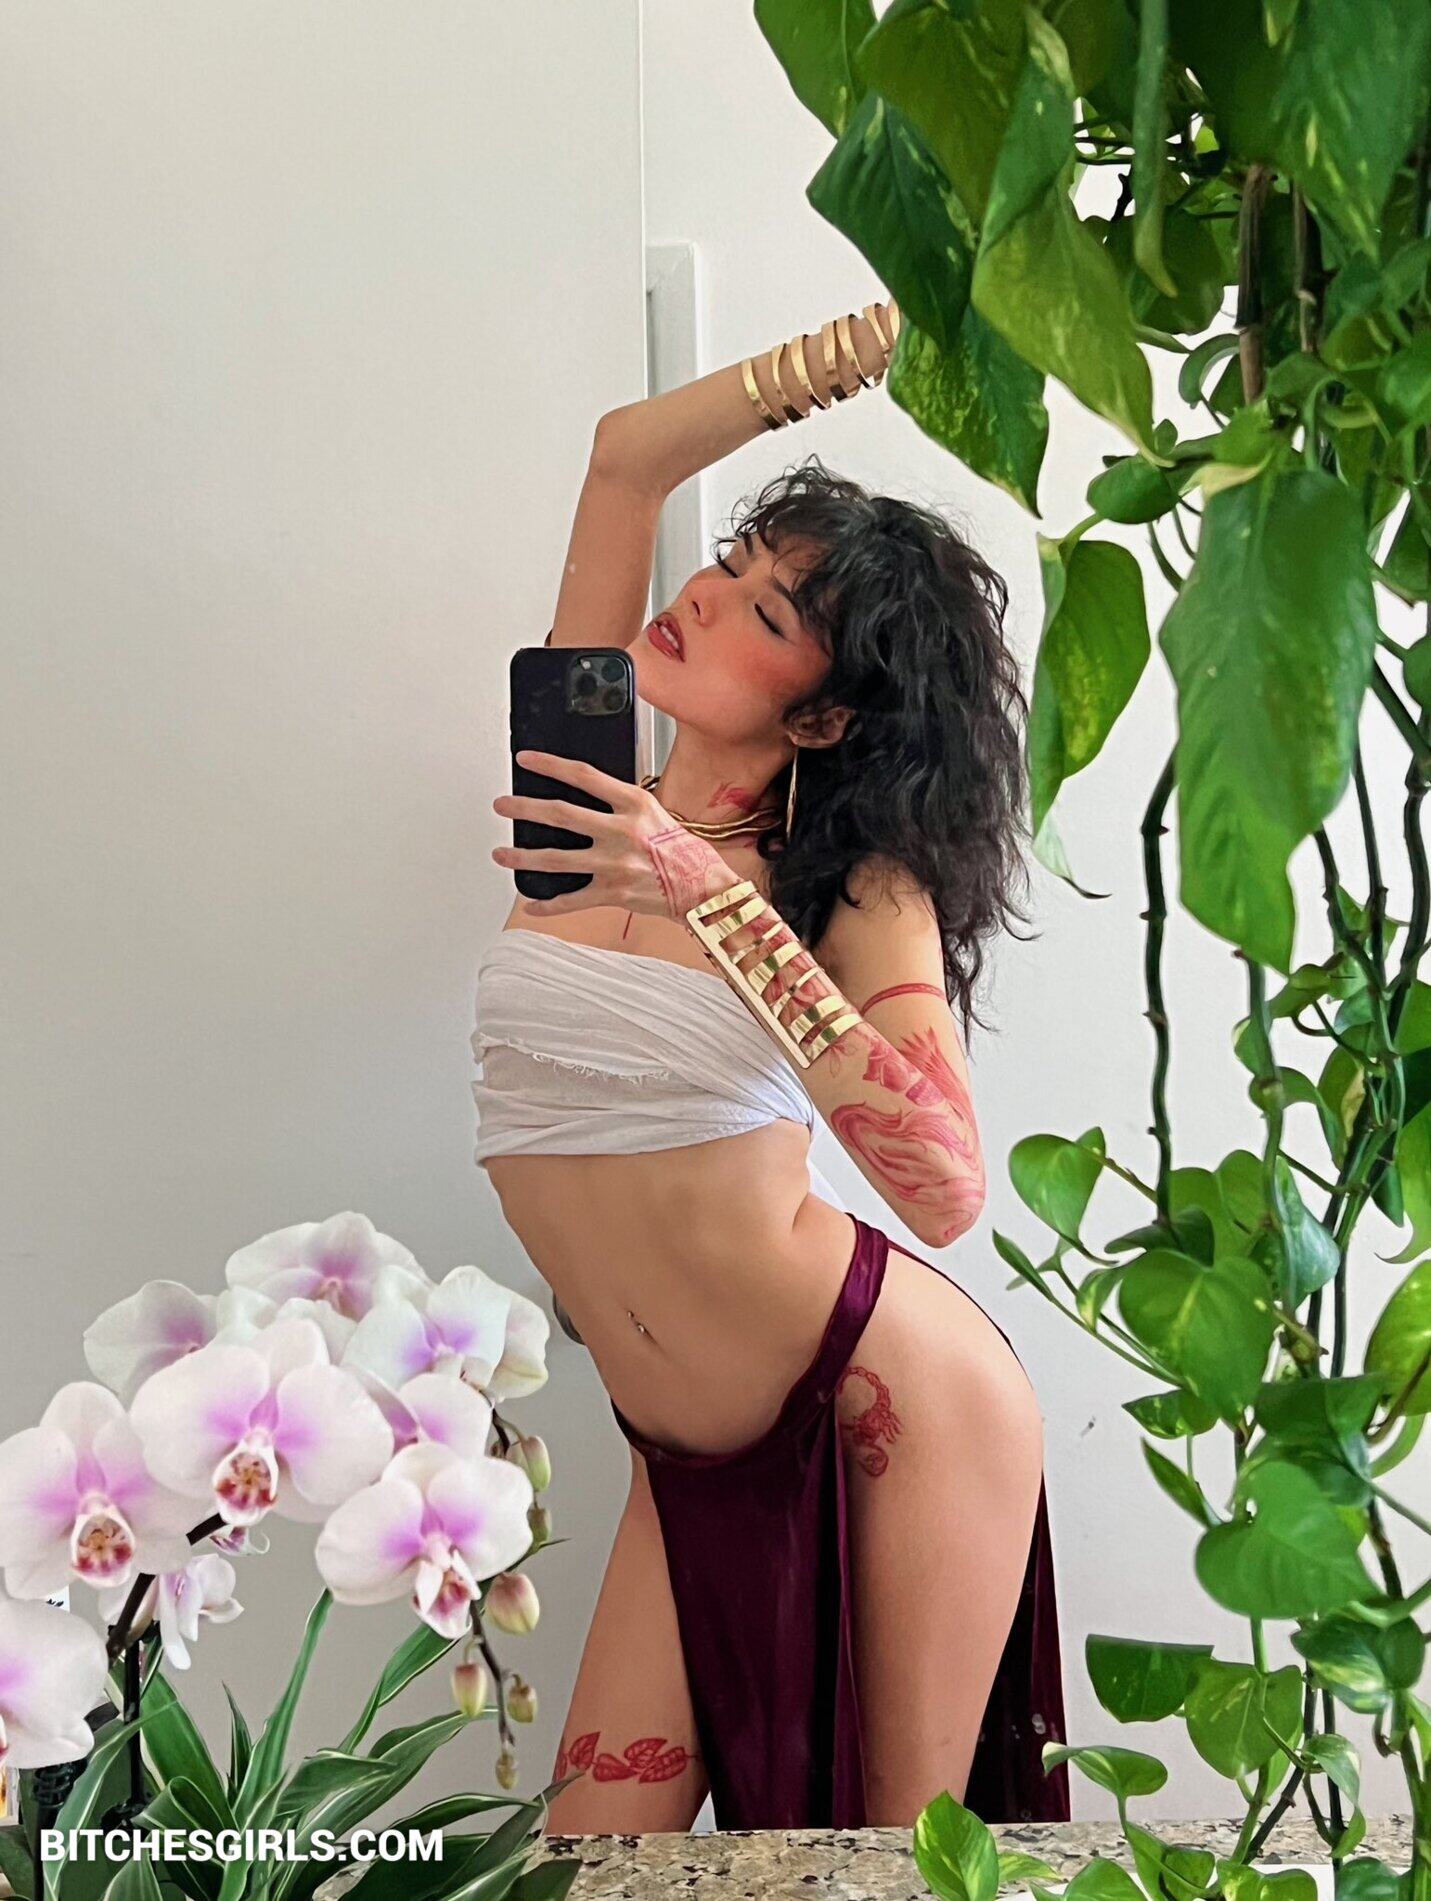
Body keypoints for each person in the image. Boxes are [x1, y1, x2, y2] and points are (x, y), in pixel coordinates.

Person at [470, 299, 1069, 1831]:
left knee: (883, 1865)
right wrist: (821, 366)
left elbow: (944, 1185)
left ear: (827, 709)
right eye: (728, 564)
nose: (702, 595)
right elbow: (625, 461)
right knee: (588, 1866)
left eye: (765, 610)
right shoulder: (583, 788)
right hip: (685, 1450)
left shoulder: (853, 887)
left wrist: (709, 893)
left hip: (886, 1407)